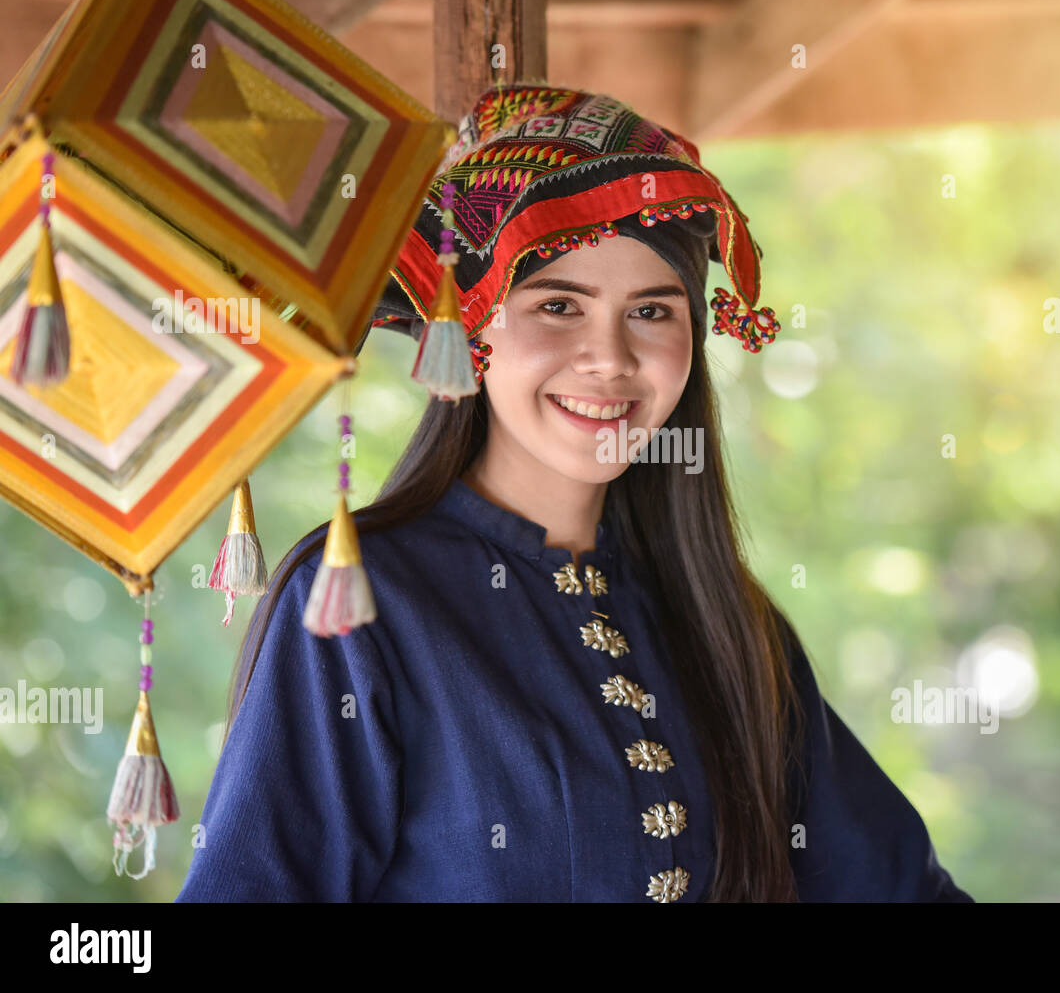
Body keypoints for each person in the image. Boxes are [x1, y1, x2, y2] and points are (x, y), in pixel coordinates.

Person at [174, 81, 972, 903]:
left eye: (653, 313)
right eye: (558, 305)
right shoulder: (358, 604)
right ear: (471, 328)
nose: (611, 359)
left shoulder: (728, 622)